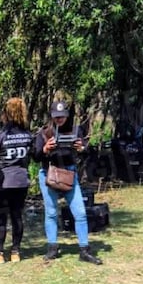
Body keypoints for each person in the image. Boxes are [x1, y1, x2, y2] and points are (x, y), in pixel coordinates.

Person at [32, 100, 102, 264]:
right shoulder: (44, 132)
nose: (59, 119)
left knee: (81, 213)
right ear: (51, 116)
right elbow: (35, 157)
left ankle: (84, 250)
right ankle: (52, 248)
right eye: (56, 116)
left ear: (67, 115)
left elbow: (89, 154)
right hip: (49, 174)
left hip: (69, 173)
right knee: (51, 212)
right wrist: (45, 149)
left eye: (62, 116)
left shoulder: (76, 130)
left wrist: (82, 149)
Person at [0, 97, 33, 264]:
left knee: (1, 218)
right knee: (17, 216)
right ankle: (15, 252)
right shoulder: (28, 135)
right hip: (21, 181)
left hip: (3, 182)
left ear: (5, 113)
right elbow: (30, 158)